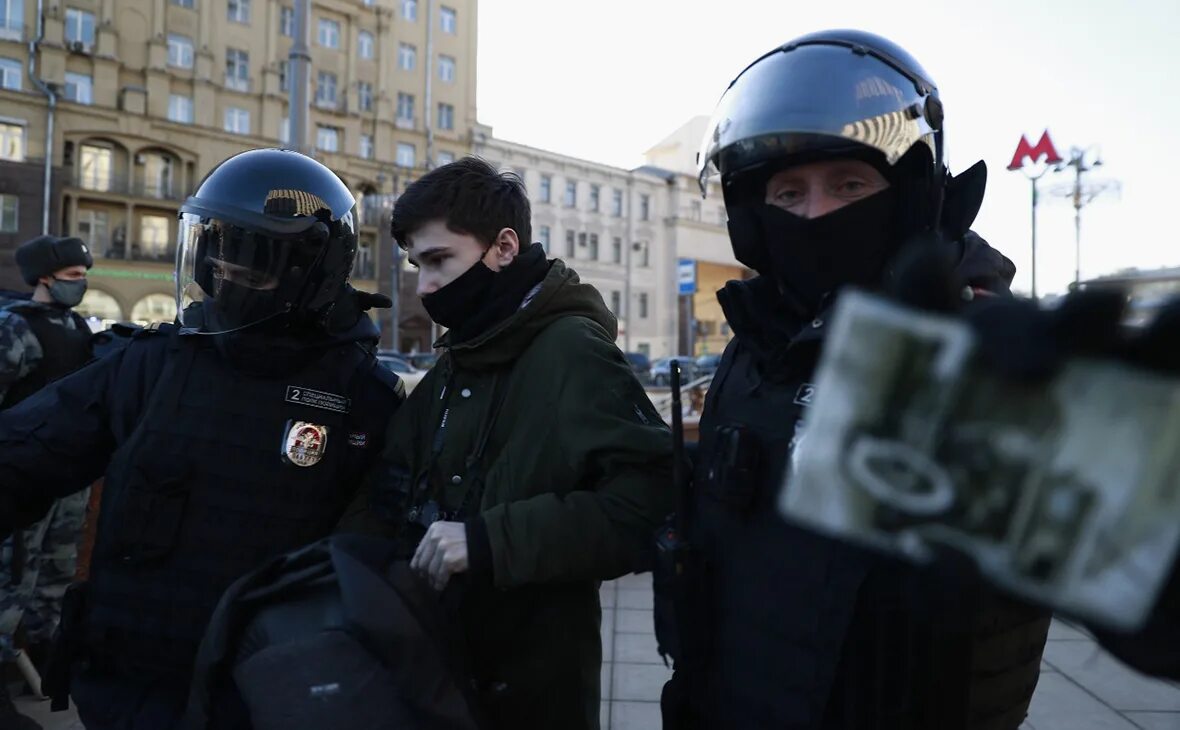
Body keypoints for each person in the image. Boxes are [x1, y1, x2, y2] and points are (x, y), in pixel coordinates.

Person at [660, 30, 1054, 730]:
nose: (815, 214)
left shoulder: (973, 351)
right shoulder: (756, 345)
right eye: (788, 193)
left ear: (908, 196)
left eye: (849, 184)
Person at [0, 148, 404, 730]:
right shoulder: (151, 364)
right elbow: (24, 453)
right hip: (131, 693)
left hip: (272, 700)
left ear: (306, 271)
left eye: (248, 259)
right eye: (215, 254)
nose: (223, 274)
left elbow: (387, 567)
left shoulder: (366, 400)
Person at [337, 157, 674, 730]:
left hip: (530, 693)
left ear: (504, 248)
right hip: (432, 672)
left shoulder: (572, 352)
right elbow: (385, 493)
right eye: (418, 265)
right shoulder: (457, 359)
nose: (427, 286)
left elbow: (651, 508)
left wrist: (491, 541)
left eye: (440, 259)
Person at [0, 235, 96, 730]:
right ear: (45, 279)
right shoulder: (15, 328)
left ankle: (46, 659)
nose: (81, 285)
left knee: (55, 575)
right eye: (73, 278)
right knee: (13, 577)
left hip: (66, 476)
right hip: (22, 476)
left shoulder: (75, 325)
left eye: (83, 276)